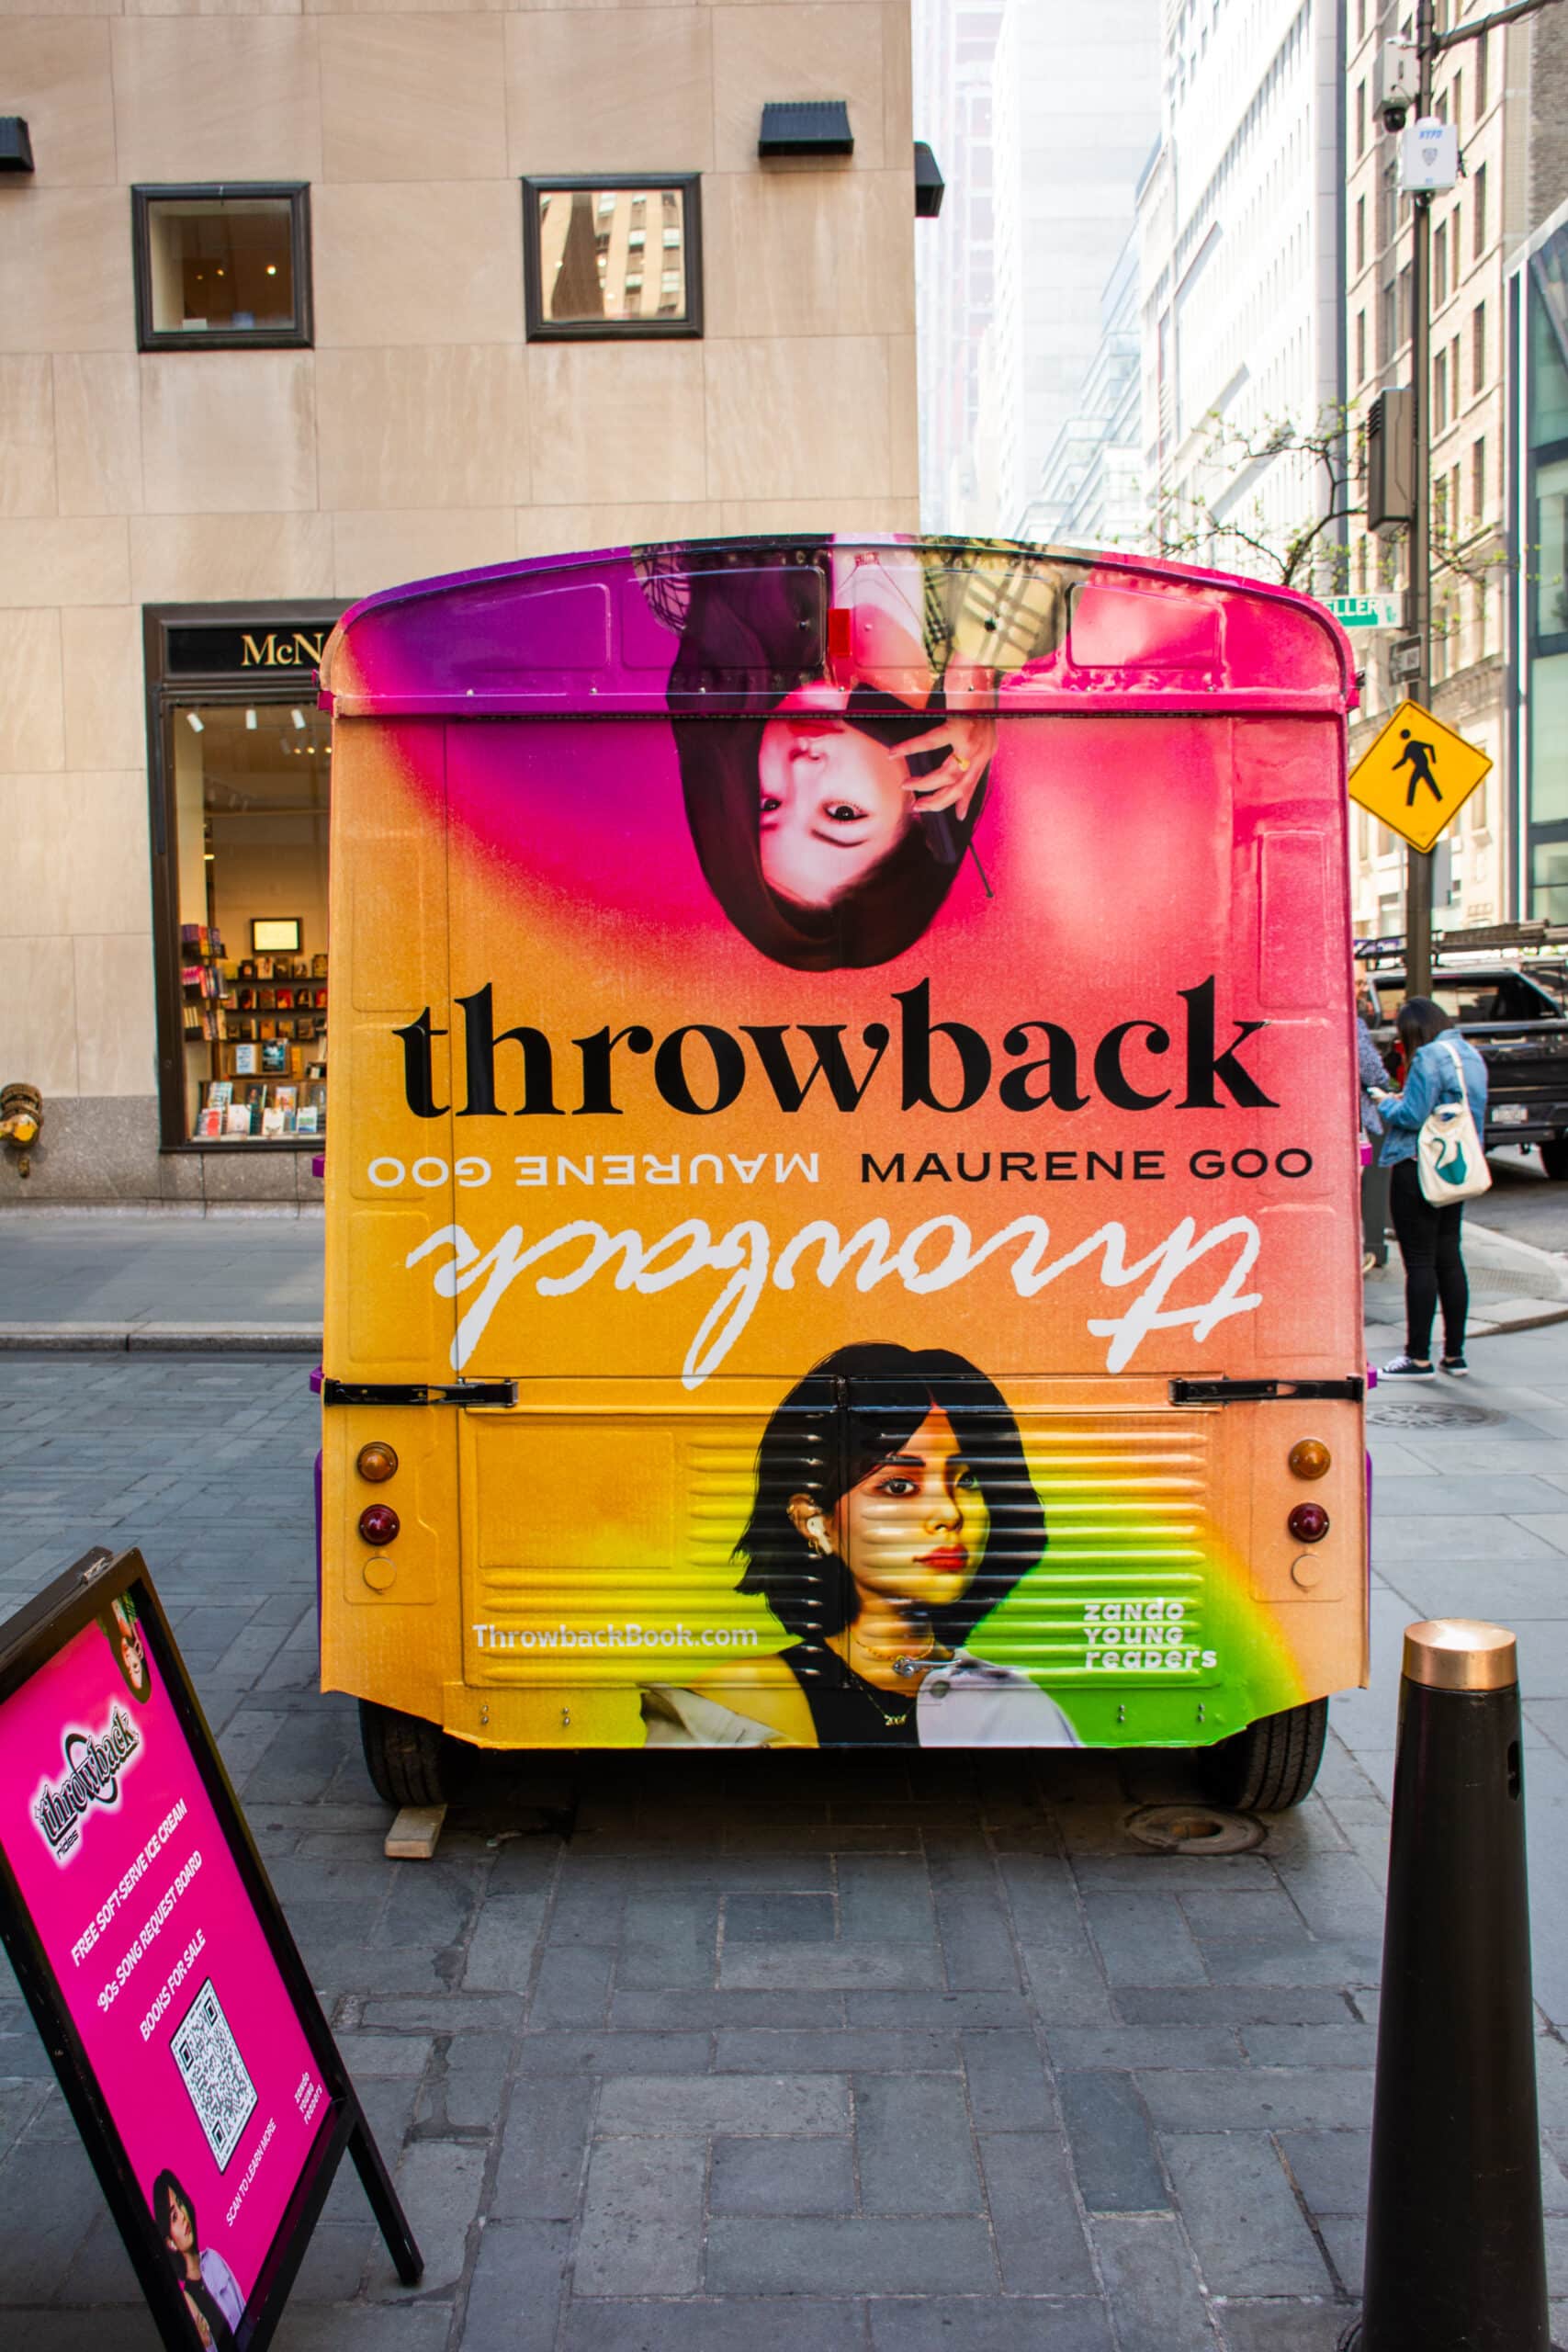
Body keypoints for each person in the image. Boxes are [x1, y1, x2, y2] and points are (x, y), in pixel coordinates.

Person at [645, 1342, 1078, 1747]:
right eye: (899, 1486)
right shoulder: (729, 1710)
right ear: (816, 1522)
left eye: (967, 1480)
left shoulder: (1020, 1709)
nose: (949, 1514)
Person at [648, 547, 1035, 971]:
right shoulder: (1013, 629)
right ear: (926, 807)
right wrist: (976, 668)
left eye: (770, 804)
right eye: (843, 812)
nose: (800, 769)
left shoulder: (686, 593)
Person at [1374, 997, 1488, 1378]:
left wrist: (1384, 1102)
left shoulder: (1428, 1057)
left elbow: (1411, 1115)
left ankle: (1417, 1357)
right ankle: (1455, 1355)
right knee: (1449, 1257)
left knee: (1420, 1262)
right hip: (1453, 1170)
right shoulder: (1469, 1054)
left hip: (1417, 1167)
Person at [152, 2169, 243, 2346]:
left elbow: (245, 2312)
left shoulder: (214, 2260)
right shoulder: (185, 2301)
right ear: (170, 2242)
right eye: (174, 2216)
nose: (183, 2217)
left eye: (180, 2203)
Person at [1356, 983, 1392, 1274]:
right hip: (1357, 1127)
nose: (1362, 990)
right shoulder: (1352, 1024)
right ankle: (1365, 1251)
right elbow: (1373, 1073)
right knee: (1361, 1190)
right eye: (1356, 983)